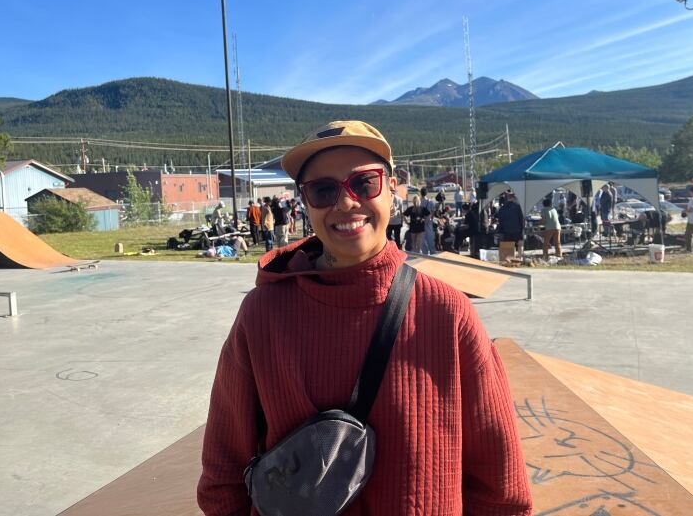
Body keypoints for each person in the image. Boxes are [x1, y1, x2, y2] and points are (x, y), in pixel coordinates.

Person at [197, 120, 532, 515]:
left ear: (392, 190)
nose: (346, 203)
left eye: (364, 183)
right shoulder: (262, 315)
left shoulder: (445, 313)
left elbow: (501, 490)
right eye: (323, 190)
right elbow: (223, 476)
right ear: (306, 203)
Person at [419, 187, 436, 254]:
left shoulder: (419, 202)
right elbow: (433, 212)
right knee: (430, 238)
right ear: (426, 193)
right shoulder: (430, 202)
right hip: (429, 221)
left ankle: (425, 253)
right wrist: (431, 218)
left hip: (421, 223)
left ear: (421, 193)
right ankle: (432, 252)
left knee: (422, 239)